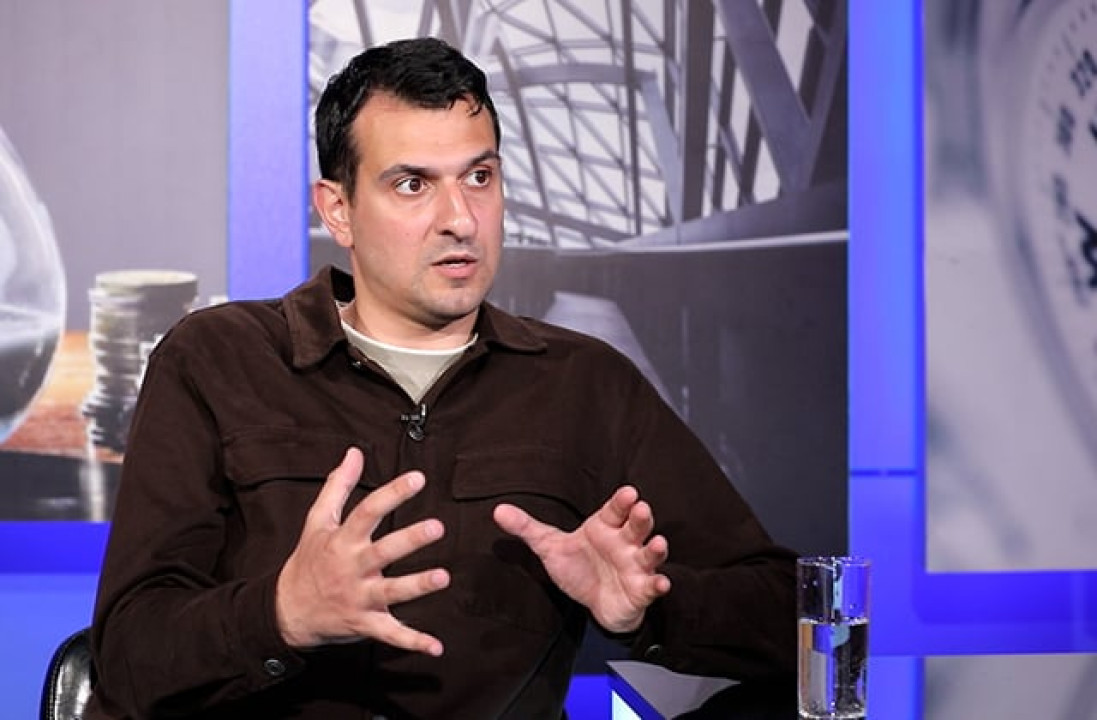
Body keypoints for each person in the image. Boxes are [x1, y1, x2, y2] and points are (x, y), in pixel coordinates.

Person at [85, 36, 797, 720]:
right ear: (338, 210)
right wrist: (281, 614)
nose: (460, 219)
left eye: (479, 178)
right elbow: (128, 654)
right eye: (412, 184)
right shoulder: (217, 359)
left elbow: (785, 611)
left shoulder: (586, 385)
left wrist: (650, 609)